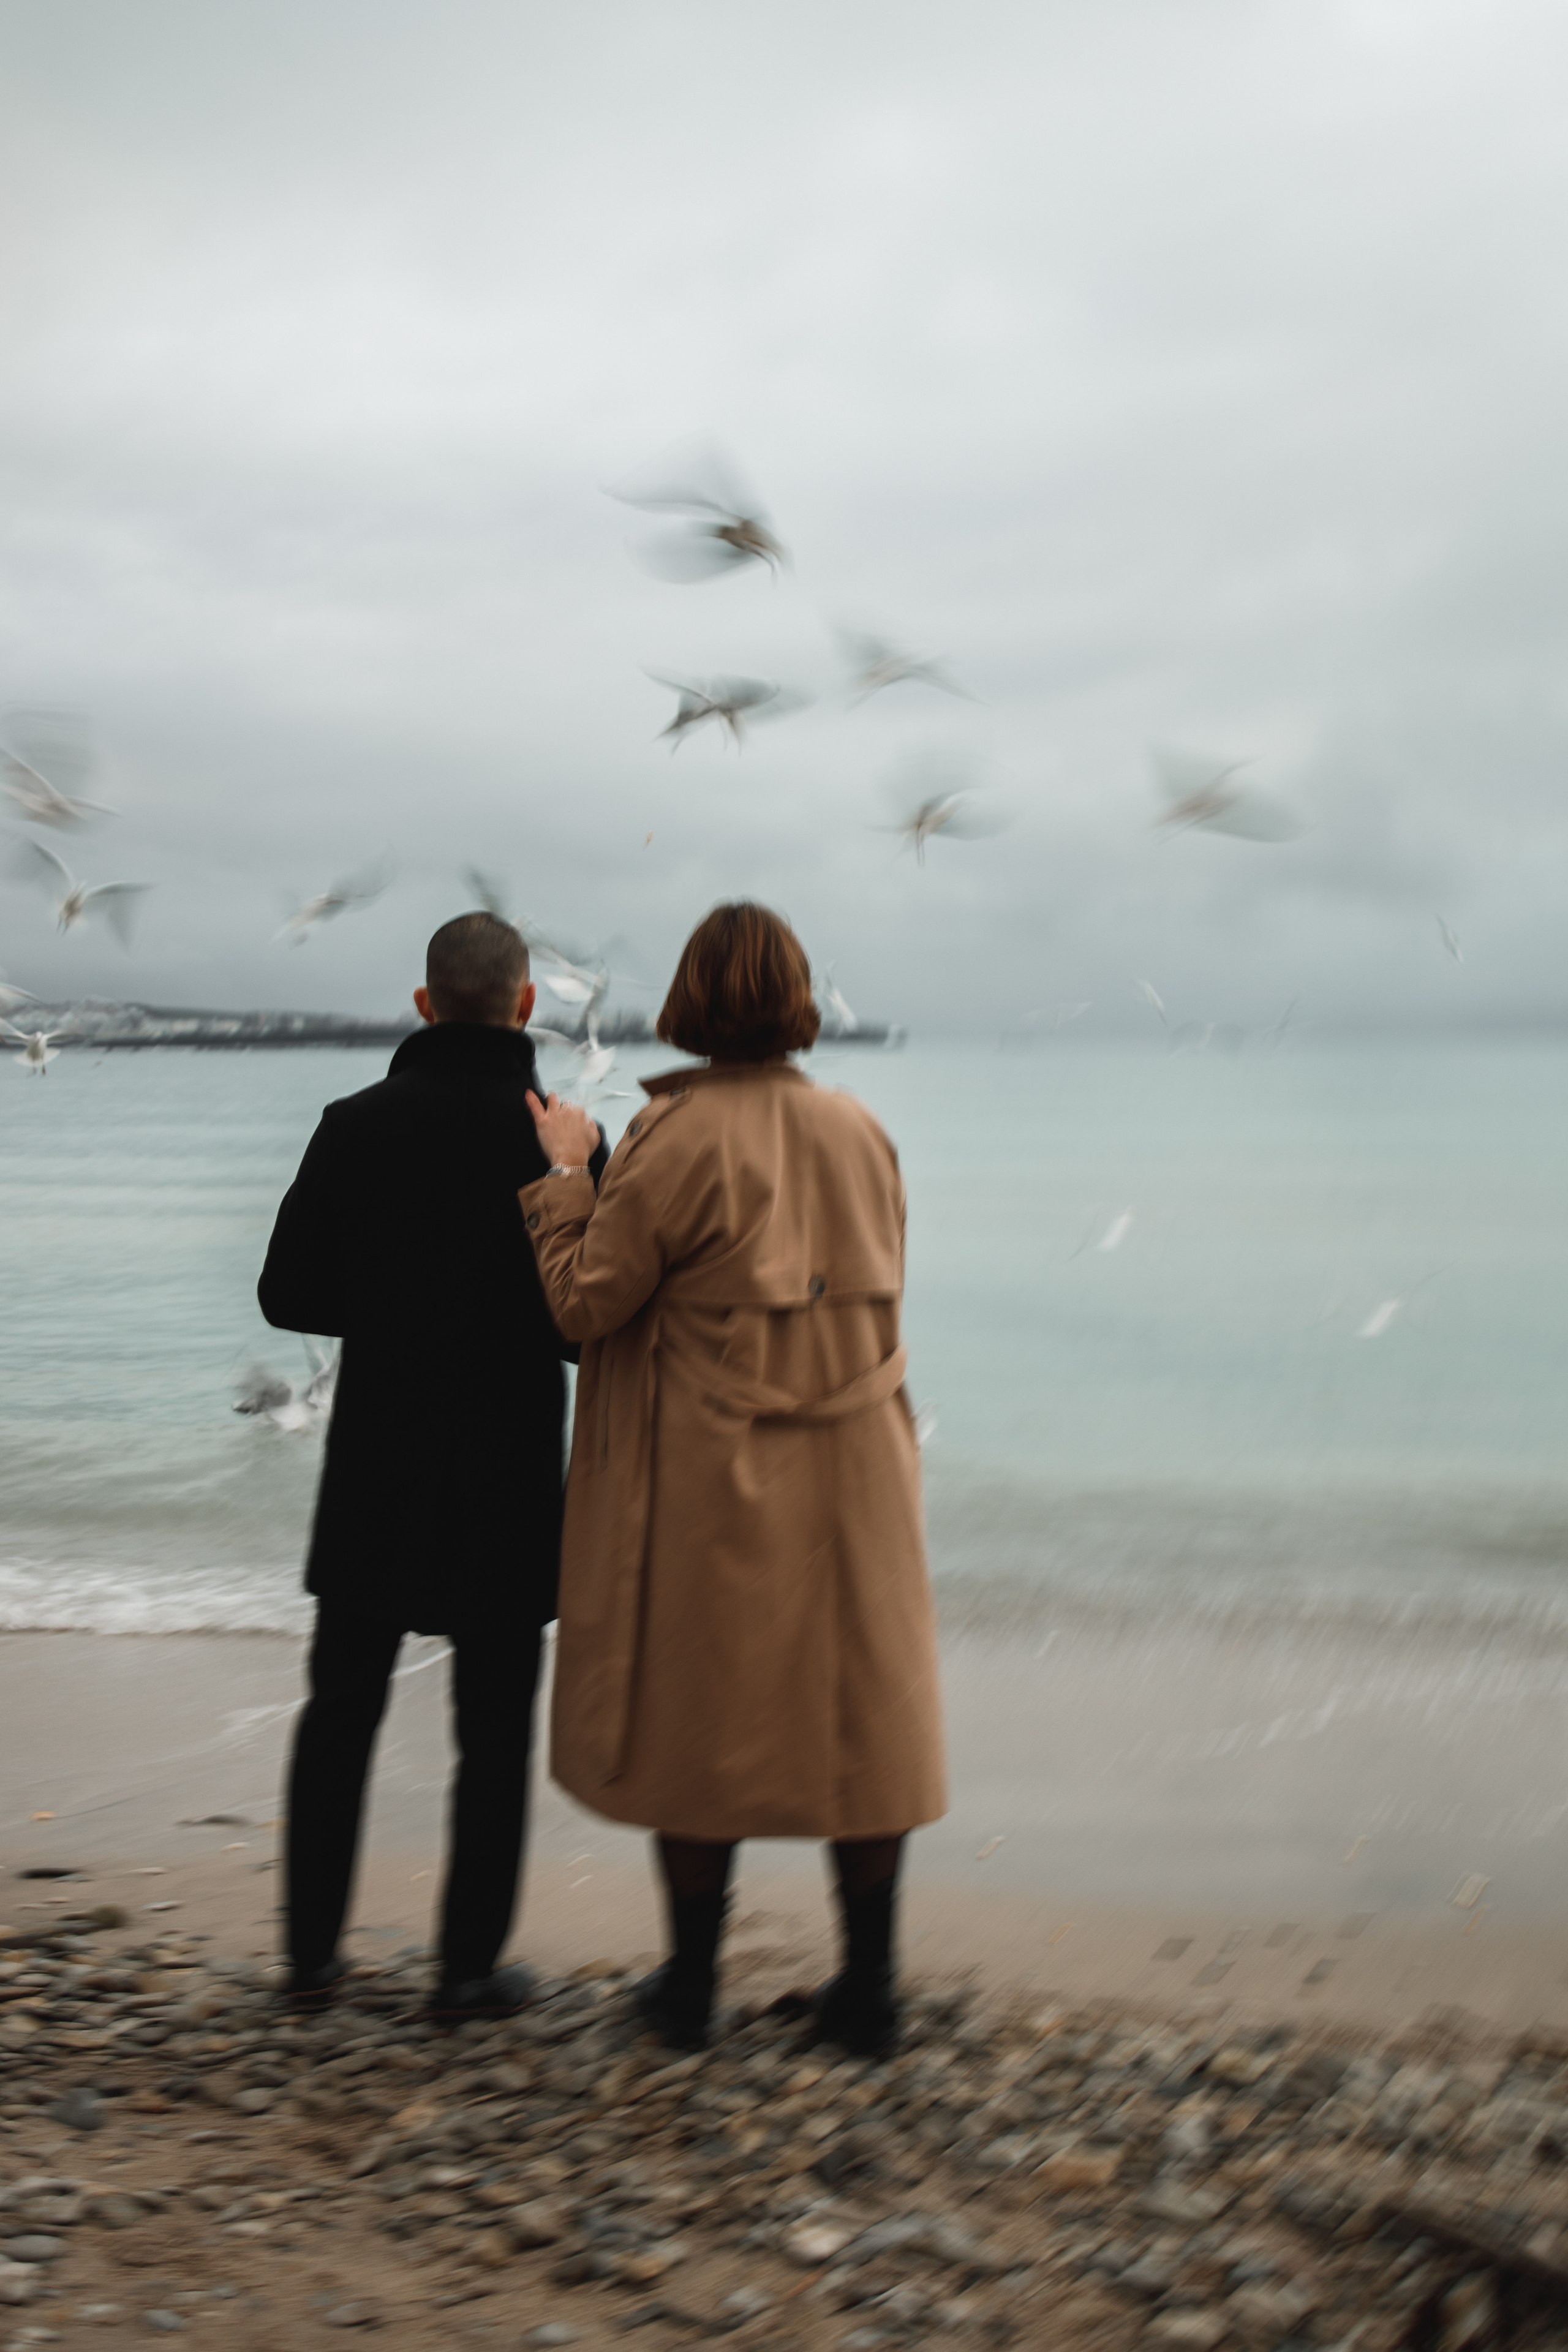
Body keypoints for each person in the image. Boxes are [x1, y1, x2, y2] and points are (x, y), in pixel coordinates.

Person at [521, 900, 945, 2054]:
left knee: (700, 1714)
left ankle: (691, 1988)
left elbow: (586, 1303)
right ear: (799, 1000)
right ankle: (870, 1991)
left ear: (693, 1002)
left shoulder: (675, 1137)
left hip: (717, 1464)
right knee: (862, 1723)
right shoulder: (863, 1129)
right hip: (859, 1461)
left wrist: (568, 1176)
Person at [258, 910, 606, 2018]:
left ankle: (310, 1961)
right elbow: (581, 1328)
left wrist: (394, 1307)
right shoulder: (566, 1143)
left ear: (422, 1005)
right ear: (525, 1006)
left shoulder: (355, 1123)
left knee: (339, 1711)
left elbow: (287, 1297)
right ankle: (466, 1972)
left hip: (376, 1459)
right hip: (507, 1466)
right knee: (494, 1729)